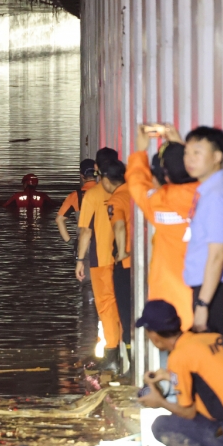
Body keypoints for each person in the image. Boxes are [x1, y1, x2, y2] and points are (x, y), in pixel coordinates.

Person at [136, 300, 223, 446]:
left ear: (154, 336)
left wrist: (159, 402)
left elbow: (188, 412)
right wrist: (168, 376)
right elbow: (211, 379)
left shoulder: (179, 357)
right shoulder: (210, 338)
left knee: (161, 425)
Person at [127, 124, 199, 331]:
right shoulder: (211, 193)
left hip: (172, 303)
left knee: (173, 358)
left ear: (165, 177)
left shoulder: (160, 202)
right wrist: (179, 146)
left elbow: (137, 183)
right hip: (210, 298)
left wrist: (140, 152)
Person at [183, 127, 223, 348]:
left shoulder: (218, 195)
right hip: (215, 290)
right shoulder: (212, 190)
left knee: (217, 371)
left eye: (197, 152)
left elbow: (218, 255)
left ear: (217, 157)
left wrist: (202, 304)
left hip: (217, 293)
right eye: (187, 152)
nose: (189, 159)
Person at [76, 147, 122, 374]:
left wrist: (79, 260)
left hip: (100, 258)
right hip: (123, 258)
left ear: (97, 169)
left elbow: (85, 232)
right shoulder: (125, 191)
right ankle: (121, 351)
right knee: (121, 304)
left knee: (105, 306)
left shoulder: (92, 195)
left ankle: (112, 354)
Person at [101, 161, 132, 362]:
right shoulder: (136, 192)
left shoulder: (116, 199)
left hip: (126, 264)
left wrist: (121, 252)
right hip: (145, 262)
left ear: (105, 179)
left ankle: (130, 355)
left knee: (125, 311)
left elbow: (119, 227)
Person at [56, 159, 97, 301]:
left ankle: (89, 315)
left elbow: (60, 220)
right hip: (106, 242)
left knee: (87, 282)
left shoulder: (76, 196)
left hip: (84, 245)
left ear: (81, 175)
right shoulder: (106, 192)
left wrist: (70, 241)